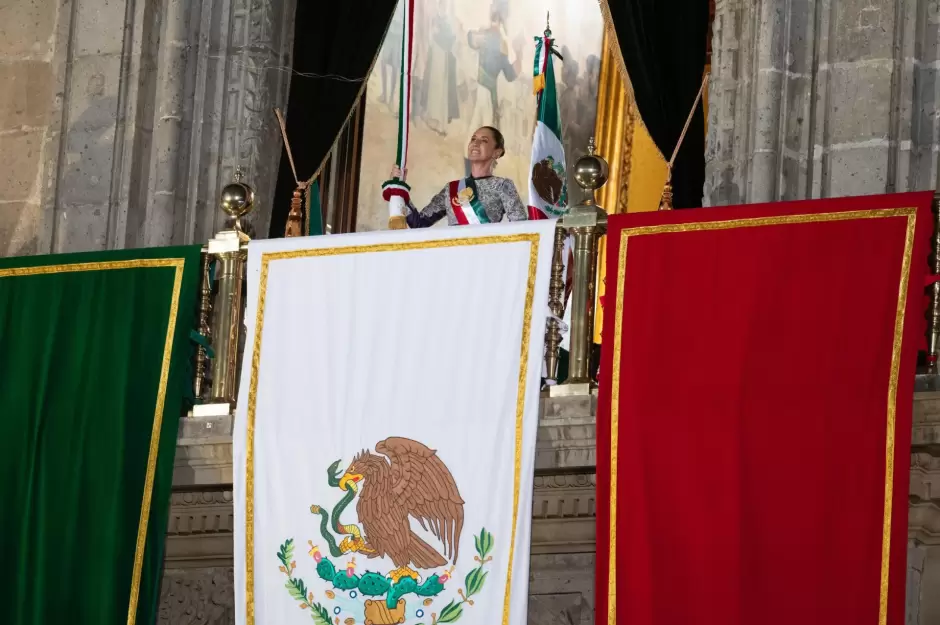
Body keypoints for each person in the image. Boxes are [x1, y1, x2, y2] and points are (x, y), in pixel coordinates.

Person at [390, 126, 527, 227]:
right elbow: (419, 223)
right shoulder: (451, 188)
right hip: (454, 256)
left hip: (485, 255)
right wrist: (399, 189)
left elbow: (520, 226)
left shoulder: (502, 185)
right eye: (473, 139)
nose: (475, 143)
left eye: (483, 140)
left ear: (497, 152)